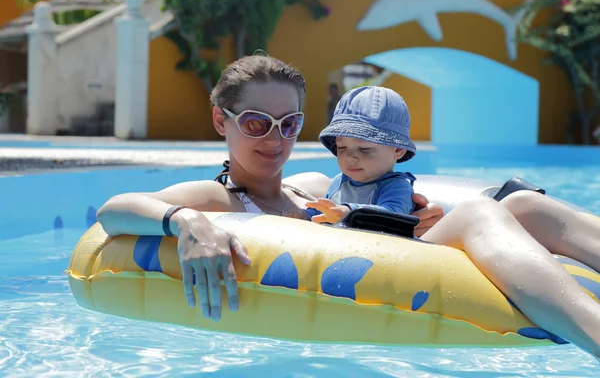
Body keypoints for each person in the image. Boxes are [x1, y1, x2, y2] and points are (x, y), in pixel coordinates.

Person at [96, 54, 600, 359]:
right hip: (372, 275)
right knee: (479, 213)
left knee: (526, 204)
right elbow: (111, 211)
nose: (274, 139)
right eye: (255, 123)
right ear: (220, 121)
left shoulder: (310, 182)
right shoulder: (218, 198)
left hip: (398, 252)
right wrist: (182, 221)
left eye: (288, 123)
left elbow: (379, 213)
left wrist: (416, 219)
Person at [302, 85, 418, 224]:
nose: (350, 157)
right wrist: (306, 215)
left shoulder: (397, 187)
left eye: (364, 149)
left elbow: (391, 215)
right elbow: (325, 210)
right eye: (342, 147)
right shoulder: (339, 182)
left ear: (398, 150)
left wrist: (351, 213)